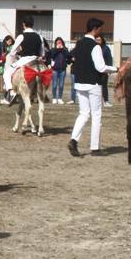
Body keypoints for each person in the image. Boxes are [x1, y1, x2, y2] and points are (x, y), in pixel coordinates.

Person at [68, 18, 118, 156]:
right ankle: (95, 147)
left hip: (79, 83)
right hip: (93, 83)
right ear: (95, 28)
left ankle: (73, 139)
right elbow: (101, 67)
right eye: (100, 29)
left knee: (83, 113)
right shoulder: (95, 46)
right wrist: (115, 69)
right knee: (96, 115)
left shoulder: (78, 44)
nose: (101, 32)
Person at [3, 17, 44, 105]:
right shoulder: (39, 36)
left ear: (24, 24)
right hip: (37, 61)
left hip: (25, 60)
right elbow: (42, 53)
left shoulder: (21, 36)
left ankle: (11, 92)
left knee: (7, 73)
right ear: (33, 25)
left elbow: (12, 52)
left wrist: (18, 52)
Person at [49, 38, 70, 104]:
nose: (59, 43)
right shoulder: (53, 49)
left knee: (61, 85)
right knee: (54, 84)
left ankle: (60, 98)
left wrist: (62, 49)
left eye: (60, 42)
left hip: (63, 69)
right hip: (55, 69)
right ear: (55, 43)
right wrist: (57, 50)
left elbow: (68, 55)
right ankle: (54, 98)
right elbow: (52, 56)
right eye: (57, 42)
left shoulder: (65, 49)